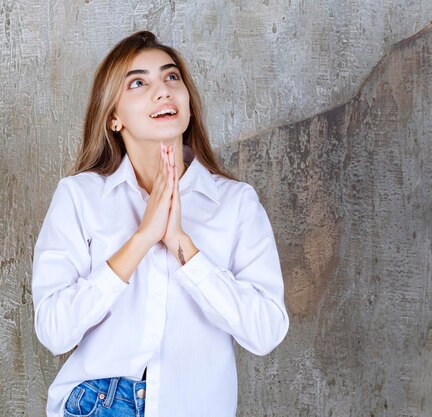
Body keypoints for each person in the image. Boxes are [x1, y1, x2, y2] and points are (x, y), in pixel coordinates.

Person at [31, 30, 289, 417]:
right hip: (95, 402)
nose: (162, 91)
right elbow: (54, 331)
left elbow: (266, 331)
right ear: (114, 117)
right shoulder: (79, 196)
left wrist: (183, 246)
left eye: (171, 77)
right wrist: (142, 239)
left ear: (187, 101)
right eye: (138, 82)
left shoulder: (236, 203)